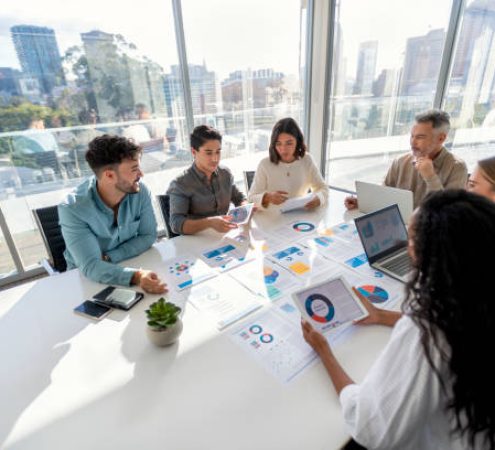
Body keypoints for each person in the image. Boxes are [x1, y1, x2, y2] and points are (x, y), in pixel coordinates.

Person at [302, 190, 495, 449]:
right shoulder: (476, 295)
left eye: (412, 239)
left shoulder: (426, 329)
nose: (406, 246)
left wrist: (324, 351)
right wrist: (382, 315)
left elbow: (371, 428)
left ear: (436, 256)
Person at [58, 134, 166, 294]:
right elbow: (92, 266)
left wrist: (110, 257)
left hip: (131, 262)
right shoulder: (72, 209)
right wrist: (136, 276)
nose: (141, 175)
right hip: (85, 279)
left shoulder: (140, 191)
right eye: (134, 169)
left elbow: (148, 236)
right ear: (109, 175)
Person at [345, 109, 468, 210]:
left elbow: (448, 212)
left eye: (420, 137)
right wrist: (363, 202)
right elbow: (383, 194)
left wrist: (430, 177)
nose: (412, 142)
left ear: (441, 139)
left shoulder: (457, 167)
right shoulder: (401, 161)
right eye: (412, 136)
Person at [167, 125, 246, 235]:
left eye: (218, 152)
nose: (215, 159)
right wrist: (209, 223)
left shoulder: (225, 173)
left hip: (224, 236)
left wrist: (246, 208)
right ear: (194, 152)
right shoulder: (181, 183)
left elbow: (239, 198)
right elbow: (176, 224)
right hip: (197, 241)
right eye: (208, 153)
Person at [247, 117, 329, 209]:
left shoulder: (307, 160)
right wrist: (267, 197)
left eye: (289, 143)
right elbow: (250, 199)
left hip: (299, 215)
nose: (283, 149)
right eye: (278, 144)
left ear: (298, 142)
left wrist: (319, 198)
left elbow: (323, 188)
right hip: (271, 219)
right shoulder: (264, 164)